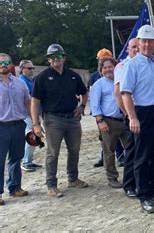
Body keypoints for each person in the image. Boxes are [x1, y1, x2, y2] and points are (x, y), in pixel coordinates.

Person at [120, 25, 154, 214]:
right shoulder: (132, 65)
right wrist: (132, 117)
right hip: (142, 113)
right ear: (139, 42)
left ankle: (153, 186)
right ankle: (143, 195)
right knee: (142, 156)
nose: (146, 44)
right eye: (143, 41)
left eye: (150, 41)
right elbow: (125, 93)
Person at [31, 44, 89, 198]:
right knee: (52, 153)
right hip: (53, 119)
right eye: (52, 57)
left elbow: (84, 92)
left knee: (74, 150)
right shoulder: (41, 78)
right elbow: (35, 101)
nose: (55, 59)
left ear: (64, 58)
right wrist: (35, 124)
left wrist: (82, 106)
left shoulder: (73, 75)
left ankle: (73, 178)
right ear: (48, 59)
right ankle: (51, 184)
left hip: (72, 118)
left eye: (58, 56)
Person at [90, 57, 129, 188]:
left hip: (124, 120)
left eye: (110, 66)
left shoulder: (121, 80)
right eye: (104, 67)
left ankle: (131, 175)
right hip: (108, 121)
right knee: (109, 151)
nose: (107, 69)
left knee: (131, 148)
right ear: (101, 70)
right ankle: (112, 178)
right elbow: (95, 105)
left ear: (115, 67)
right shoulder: (98, 85)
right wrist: (100, 121)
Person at [0, 53, 30, 205]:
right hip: (1, 127)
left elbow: (28, 102)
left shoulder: (20, 83)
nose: (3, 64)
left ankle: (15, 187)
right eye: (0, 62)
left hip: (19, 124)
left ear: (11, 64)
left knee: (16, 158)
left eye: (6, 62)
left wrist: (35, 122)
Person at [113, 38, 140, 198]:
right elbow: (118, 93)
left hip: (145, 112)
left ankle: (144, 180)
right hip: (132, 114)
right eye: (133, 47)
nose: (136, 49)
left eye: (138, 46)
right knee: (132, 151)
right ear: (128, 49)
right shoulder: (123, 66)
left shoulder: (145, 64)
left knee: (145, 151)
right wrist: (129, 115)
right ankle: (129, 184)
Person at [18, 60, 43, 172]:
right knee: (31, 136)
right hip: (28, 114)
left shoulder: (29, 81)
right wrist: (33, 118)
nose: (32, 70)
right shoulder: (22, 81)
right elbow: (27, 100)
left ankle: (29, 160)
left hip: (33, 113)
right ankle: (26, 162)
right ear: (22, 68)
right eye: (29, 68)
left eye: (32, 68)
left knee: (34, 137)